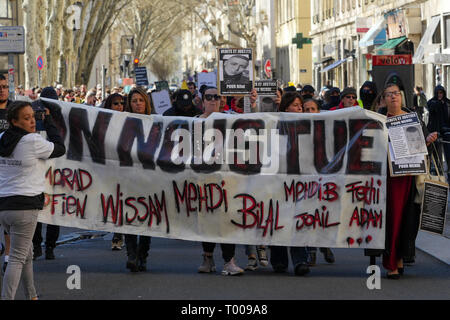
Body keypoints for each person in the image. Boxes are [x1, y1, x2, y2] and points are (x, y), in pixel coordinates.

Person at [0, 100, 66, 299]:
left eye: (33, 117)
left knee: (25, 253)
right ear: (14, 121)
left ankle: (32, 295)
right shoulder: (32, 141)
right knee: (17, 258)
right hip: (25, 207)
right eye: (26, 118)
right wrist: (49, 122)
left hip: (4, 205)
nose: (32, 122)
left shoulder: (2, 137)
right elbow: (60, 148)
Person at [379, 83, 438, 279]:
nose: (393, 97)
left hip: (410, 179)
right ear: (384, 99)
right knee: (393, 220)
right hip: (389, 180)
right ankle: (392, 264)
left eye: (396, 93)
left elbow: (421, 147)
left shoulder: (413, 119)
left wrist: (428, 140)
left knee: (408, 220)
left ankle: (400, 259)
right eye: (389, 94)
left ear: (402, 96)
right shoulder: (379, 121)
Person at [195, 87, 244, 276]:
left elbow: (255, 123)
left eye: (217, 96)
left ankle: (229, 261)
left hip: (228, 179)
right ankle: (207, 258)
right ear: (202, 100)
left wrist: (253, 103)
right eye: (209, 97)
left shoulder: (231, 119)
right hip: (203, 177)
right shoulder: (195, 122)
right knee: (207, 218)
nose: (214, 100)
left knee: (226, 219)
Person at [271, 92, 310, 276]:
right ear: (286, 107)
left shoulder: (309, 125)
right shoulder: (275, 123)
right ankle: (279, 260)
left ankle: (300, 259)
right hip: (279, 179)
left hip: (300, 181)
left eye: (300, 105)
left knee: (298, 219)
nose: (299, 108)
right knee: (278, 218)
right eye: (295, 105)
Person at [302, 98, 336, 265]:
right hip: (303, 179)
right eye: (306, 109)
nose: (309, 113)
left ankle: (325, 245)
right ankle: (312, 251)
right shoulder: (297, 127)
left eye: (312, 109)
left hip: (323, 178)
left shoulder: (326, 128)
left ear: (318, 111)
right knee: (308, 215)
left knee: (322, 214)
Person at [123, 87, 153, 272]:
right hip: (129, 176)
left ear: (146, 103)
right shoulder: (123, 123)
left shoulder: (156, 122)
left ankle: (143, 255)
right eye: (134, 101)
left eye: (141, 100)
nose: (138, 104)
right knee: (129, 216)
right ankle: (131, 255)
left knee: (147, 217)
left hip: (150, 177)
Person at [31, 87, 62, 260]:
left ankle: (49, 246)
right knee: (37, 211)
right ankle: (37, 245)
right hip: (38, 169)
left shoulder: (60, 115)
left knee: (53, 212)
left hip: (56, 170)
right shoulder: (34, 111)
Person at [102, 93, 125, 250]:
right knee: (115, 202)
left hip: (126, 169)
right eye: (116, 103)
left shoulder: (129, 121)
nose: (119, 106)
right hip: (110, 168)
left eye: (122, 103)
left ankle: (120, 235)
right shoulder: (102, 123)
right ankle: (117, 234)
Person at [427, 85, 450, 180]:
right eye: (438, 93)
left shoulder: (447, 102)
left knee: (448, 153)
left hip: (446, 131)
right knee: (436, 153)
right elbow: (430, 107)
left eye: (441, 93)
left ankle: (448, 171)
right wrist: (439, 103)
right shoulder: (432, 102)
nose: (440, 95)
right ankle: (437, 171)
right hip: (435, 131)